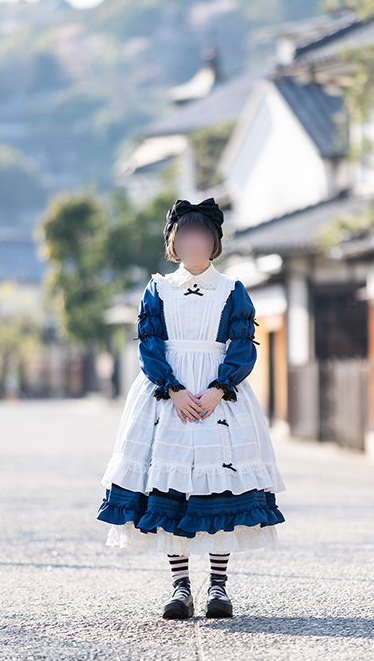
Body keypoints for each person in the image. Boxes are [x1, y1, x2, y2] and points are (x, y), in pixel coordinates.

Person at [96, 196, 286, 619]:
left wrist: (220, 387)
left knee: (219, 485)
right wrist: (173, 389)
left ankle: (218, 588)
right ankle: (180, 587)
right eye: (185, 235)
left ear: (214, 241)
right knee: (170, 484)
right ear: (173, 242)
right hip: (168, 398)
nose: (193, 243)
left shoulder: (232, 290)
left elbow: (241, 345)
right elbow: (149, 344)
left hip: (220, 397)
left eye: (202, 235)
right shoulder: (158, 289)